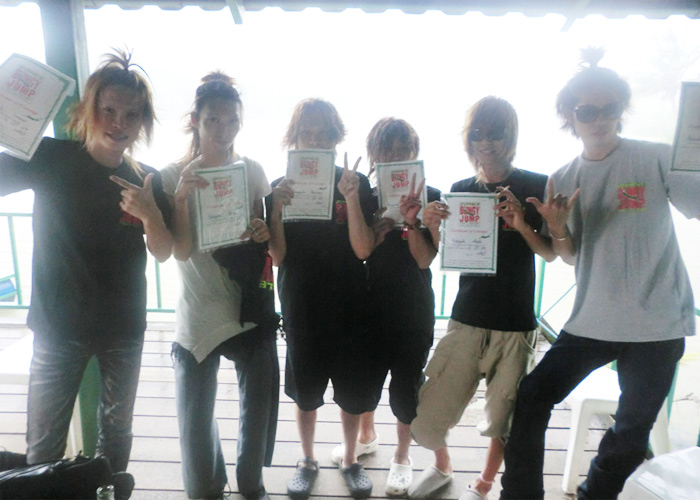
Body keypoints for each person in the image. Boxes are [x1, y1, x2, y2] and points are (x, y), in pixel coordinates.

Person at [499, 49, 700, 500]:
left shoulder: (657, 158)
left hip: (657, 324)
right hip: (592, 320)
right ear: (570, 115)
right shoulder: (563, 177)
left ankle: (595, 495)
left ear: (621, 109)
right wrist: (555, 227)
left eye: (610, 108)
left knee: (631, 432)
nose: (600, 119)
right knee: (533, 395)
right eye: (587, 111)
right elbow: (568, 256)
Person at [0, 50, 172, 472]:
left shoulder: (147, 178)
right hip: (57, 325)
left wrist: (150, 213)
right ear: (89, 109)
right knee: (44, 444)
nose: (119, 123)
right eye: (108, 110)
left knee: (116, 434)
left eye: (131, 115)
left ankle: (109, 494)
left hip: (124, 327)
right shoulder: (49, 157)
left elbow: (164, 251)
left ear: (143, 121)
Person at [408, 96, 556, 500]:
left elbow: (549, 253)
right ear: (468, 140)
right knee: (432, 409)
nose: (486, 142)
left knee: (503, 418)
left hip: (515, 323)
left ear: (511, 137)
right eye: (478, 134)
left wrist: (521, 223)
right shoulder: (460, 190)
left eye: (496, 133)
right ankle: (443, 465)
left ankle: (485, 483)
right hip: (467, 317)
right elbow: (450, 254)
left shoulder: (536, 185)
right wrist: (431, 225)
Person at [160, 73, 279, 500]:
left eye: (232, 121)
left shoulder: (252, 171)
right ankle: (211, 484)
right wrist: (180, 198)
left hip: (248, 308)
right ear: (196, 120)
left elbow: (261, 239)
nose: (222, 130)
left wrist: (262, 230)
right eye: (213, 120)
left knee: (257, 416)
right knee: (196, 452)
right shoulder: (172, 175)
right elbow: (180, 250)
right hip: (198, 314)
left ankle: (251, 482)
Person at [266, 98, 376, 499]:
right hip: (301, 301)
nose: (315, 140)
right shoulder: (281, 185)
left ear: (335, 137)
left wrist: (351, 197)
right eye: (306, 132)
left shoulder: (355, 183)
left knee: (351, 390)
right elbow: (278, 256)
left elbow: (364, 249)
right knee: (306, 390)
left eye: (323, 133)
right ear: (294, 138)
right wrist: (276, 210)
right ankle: (307, 459)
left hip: (351, 303)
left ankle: (350, 458)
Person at [334, 117, 441, 496]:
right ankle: (361, 443)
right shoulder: (364, 196)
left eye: (403, 150)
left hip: (413, 307)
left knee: (406, 389)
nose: (395, 157)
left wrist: (412, 222)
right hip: (366, 305)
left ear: (414, 153)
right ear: (374, 156)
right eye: (387, 151)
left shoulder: (431, 197)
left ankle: (401, 457)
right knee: (360, 382)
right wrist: (360, 208)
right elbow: (361, 250)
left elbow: (424, 259)